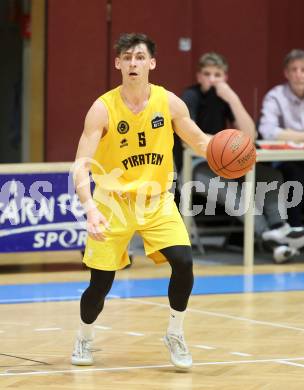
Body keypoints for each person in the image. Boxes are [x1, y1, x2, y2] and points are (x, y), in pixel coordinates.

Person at [70, 33, 213, 370]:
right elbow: (81, 164)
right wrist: (89, 207)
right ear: (118, 63)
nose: (133, 63)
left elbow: (199, 141)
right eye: (127, 57)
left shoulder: (170, 103)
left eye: (139, 57)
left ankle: (175, 333)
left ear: (152, 63)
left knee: (184, 261)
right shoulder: (102, 108)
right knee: (100, 284)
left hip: (156, 200)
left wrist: (234, 153)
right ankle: (84, 335)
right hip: (112, 202)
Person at [174, 52, 304, 263]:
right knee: (233, 192)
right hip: (195, 165)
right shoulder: (190, 96)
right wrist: (224, 142)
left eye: (217, 75)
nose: (212, 79)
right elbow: (187, 138)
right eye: (207, 74)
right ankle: (272, 238)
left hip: (224, 161)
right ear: (199, 76)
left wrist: (232, 97)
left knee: (270, 175)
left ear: (225, 77)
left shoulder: (224, 97)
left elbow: (250, 134)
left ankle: (279, 228)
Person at [258, 49, 304, 250]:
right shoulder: (275, 96)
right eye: (293, 70)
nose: (298, 74)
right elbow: (267, 130)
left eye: (303, 70)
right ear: (286, 73)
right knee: (293, 175)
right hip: (285, 159)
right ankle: (295, 232)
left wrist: (290, 133)